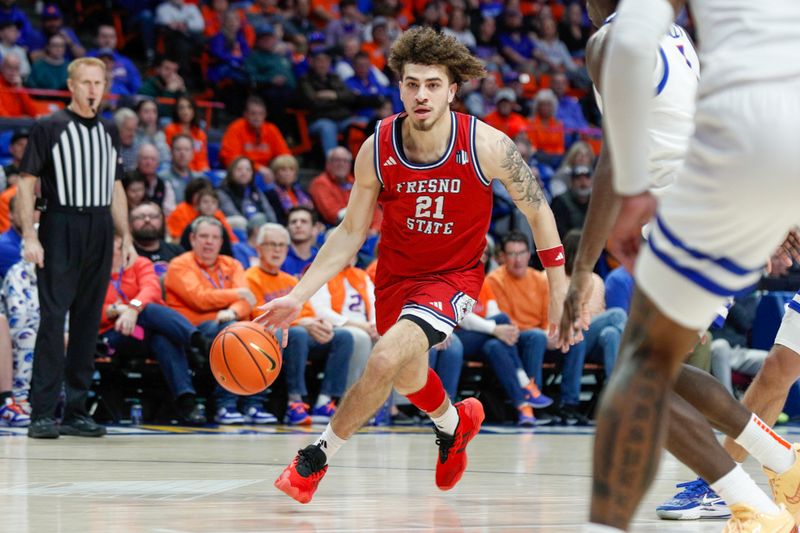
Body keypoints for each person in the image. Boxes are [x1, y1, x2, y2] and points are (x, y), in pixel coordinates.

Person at [258, 27, 567, 504]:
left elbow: (539, 210)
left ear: (452, 90)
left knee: (382, 358)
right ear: (399, 86)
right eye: (411, 83)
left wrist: (560, 291)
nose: (421, 94)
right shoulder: (377, 147)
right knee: (407, 376)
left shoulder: (485, 144)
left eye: (433, 84)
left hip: (453, 276)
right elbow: (349, 234)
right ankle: (453, 424)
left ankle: (313, 461)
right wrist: (297, 296)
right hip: (395, 277)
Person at [586, 0, 800, 530]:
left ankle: (753, 505)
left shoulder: (616, 41)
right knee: (660, 374)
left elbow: (615, 158)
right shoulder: (676, 38)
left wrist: (578, 270)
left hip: (687, 220)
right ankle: (783, 471)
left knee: (639, 382)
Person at [18, 57, 136, 439]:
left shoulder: (109, 131)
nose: (91, 89)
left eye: (97, 82)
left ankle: (77, 410)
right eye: (84, 82)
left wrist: (126, 237)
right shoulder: (49, 126)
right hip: (60, 223)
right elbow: (25, 183)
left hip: (100, 226)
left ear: (104, 86)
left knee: (88, 321)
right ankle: (41, 412)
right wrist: (30, 235)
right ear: (70, 86)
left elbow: (116, 187)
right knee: (54, 320)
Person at [247, 223, 354, 425]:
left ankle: (326, 401)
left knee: (343, 337)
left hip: (296, 335)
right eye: (271, 244)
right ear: (259, 248)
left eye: (281, 245)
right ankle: (295, 403)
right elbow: (260, 315)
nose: (277, 250)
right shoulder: (250, 277)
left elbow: (306, 311)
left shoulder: (289, 280)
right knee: (298, 333)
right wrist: (304, 323)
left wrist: (318, 323)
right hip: (266, 338)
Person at [163, 216, 265, 424]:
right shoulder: (179, 265)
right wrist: (236, 294)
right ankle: (225, 405)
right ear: (192, 239)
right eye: (203, 236)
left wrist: (234, 310)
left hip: (231, 322)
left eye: (214, 237)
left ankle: (253, 403)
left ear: (221, 242)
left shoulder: (233, 264)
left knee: (264, 333)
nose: (209, 242)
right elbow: (199, 298)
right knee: (233, 333)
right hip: (193, 328)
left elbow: (248, 303)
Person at [100, 236, 206, 424]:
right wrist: (115, 310)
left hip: (147, 331)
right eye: (117, 246)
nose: (122, 250)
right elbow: (89, 311)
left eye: (124, 245)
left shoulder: (140, 263)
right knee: (149, 311)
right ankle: (198, 343)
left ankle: (186, 401)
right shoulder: (94, 271)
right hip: (115, 335)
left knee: (161, 337)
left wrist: (133, 308)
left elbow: (152, 289)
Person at [308, 146, 381, 232]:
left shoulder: (355, 181)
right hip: (335, 230)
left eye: (345, 161)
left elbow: (374, 208)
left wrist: (375, 229)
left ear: (350, 165)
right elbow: (334, 215)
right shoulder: (320, 183)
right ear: (328, 163)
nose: (341, 164)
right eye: (337, 160)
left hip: (365, 229)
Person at [219, 96, 291, 181]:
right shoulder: (235, 128)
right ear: (245, 114)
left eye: (261, 114)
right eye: (253, 113)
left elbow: (285, 156)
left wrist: (283, 170)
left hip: (266, 173)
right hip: (242, 174)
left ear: (265, 115)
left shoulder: (271, 129)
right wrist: (258, 168)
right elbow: (231, 159)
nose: (257, 117)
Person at [130, 202, 184, 279]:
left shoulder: (177, 252)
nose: (147, 220)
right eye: (140, 217)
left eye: (153, 216)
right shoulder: (125, 255)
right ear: (130, 224)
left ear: (162, 221)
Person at [216, 156, 278, 225]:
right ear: (231, 172)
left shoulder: (255, 191)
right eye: (239, 169)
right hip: (239, 227)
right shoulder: (223, 192)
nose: (244, 173)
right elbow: (231, 213)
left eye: (248, 170)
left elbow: (268, 211)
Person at [163, 96, 210, 173]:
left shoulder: (200, 134)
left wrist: (204, 173)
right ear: (176, 111)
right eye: (181, 108)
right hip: (177, 171)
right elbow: (169, 157)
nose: (185, 111)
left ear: (194, 110)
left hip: (197, 173)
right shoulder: (170, 130)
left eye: (189, 107)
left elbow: (202, 160)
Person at [265, 154, 314, 225]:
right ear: (275, 173)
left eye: (291, 169)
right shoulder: (270, 193)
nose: (287, 173)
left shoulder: (302, 191)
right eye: (283, 169)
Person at [158, 134, 205, 204]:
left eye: (186, 149)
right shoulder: (162, 178)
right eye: (178, 149)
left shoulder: (200, 179)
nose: (182, 153)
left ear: (192, 154)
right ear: (171, 152)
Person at [281, 206, 319, 277]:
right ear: (287, 228)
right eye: (293, 222)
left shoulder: (320, 257)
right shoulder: (279, 257)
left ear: (314, 228)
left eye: (304, 221)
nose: (298, 225)